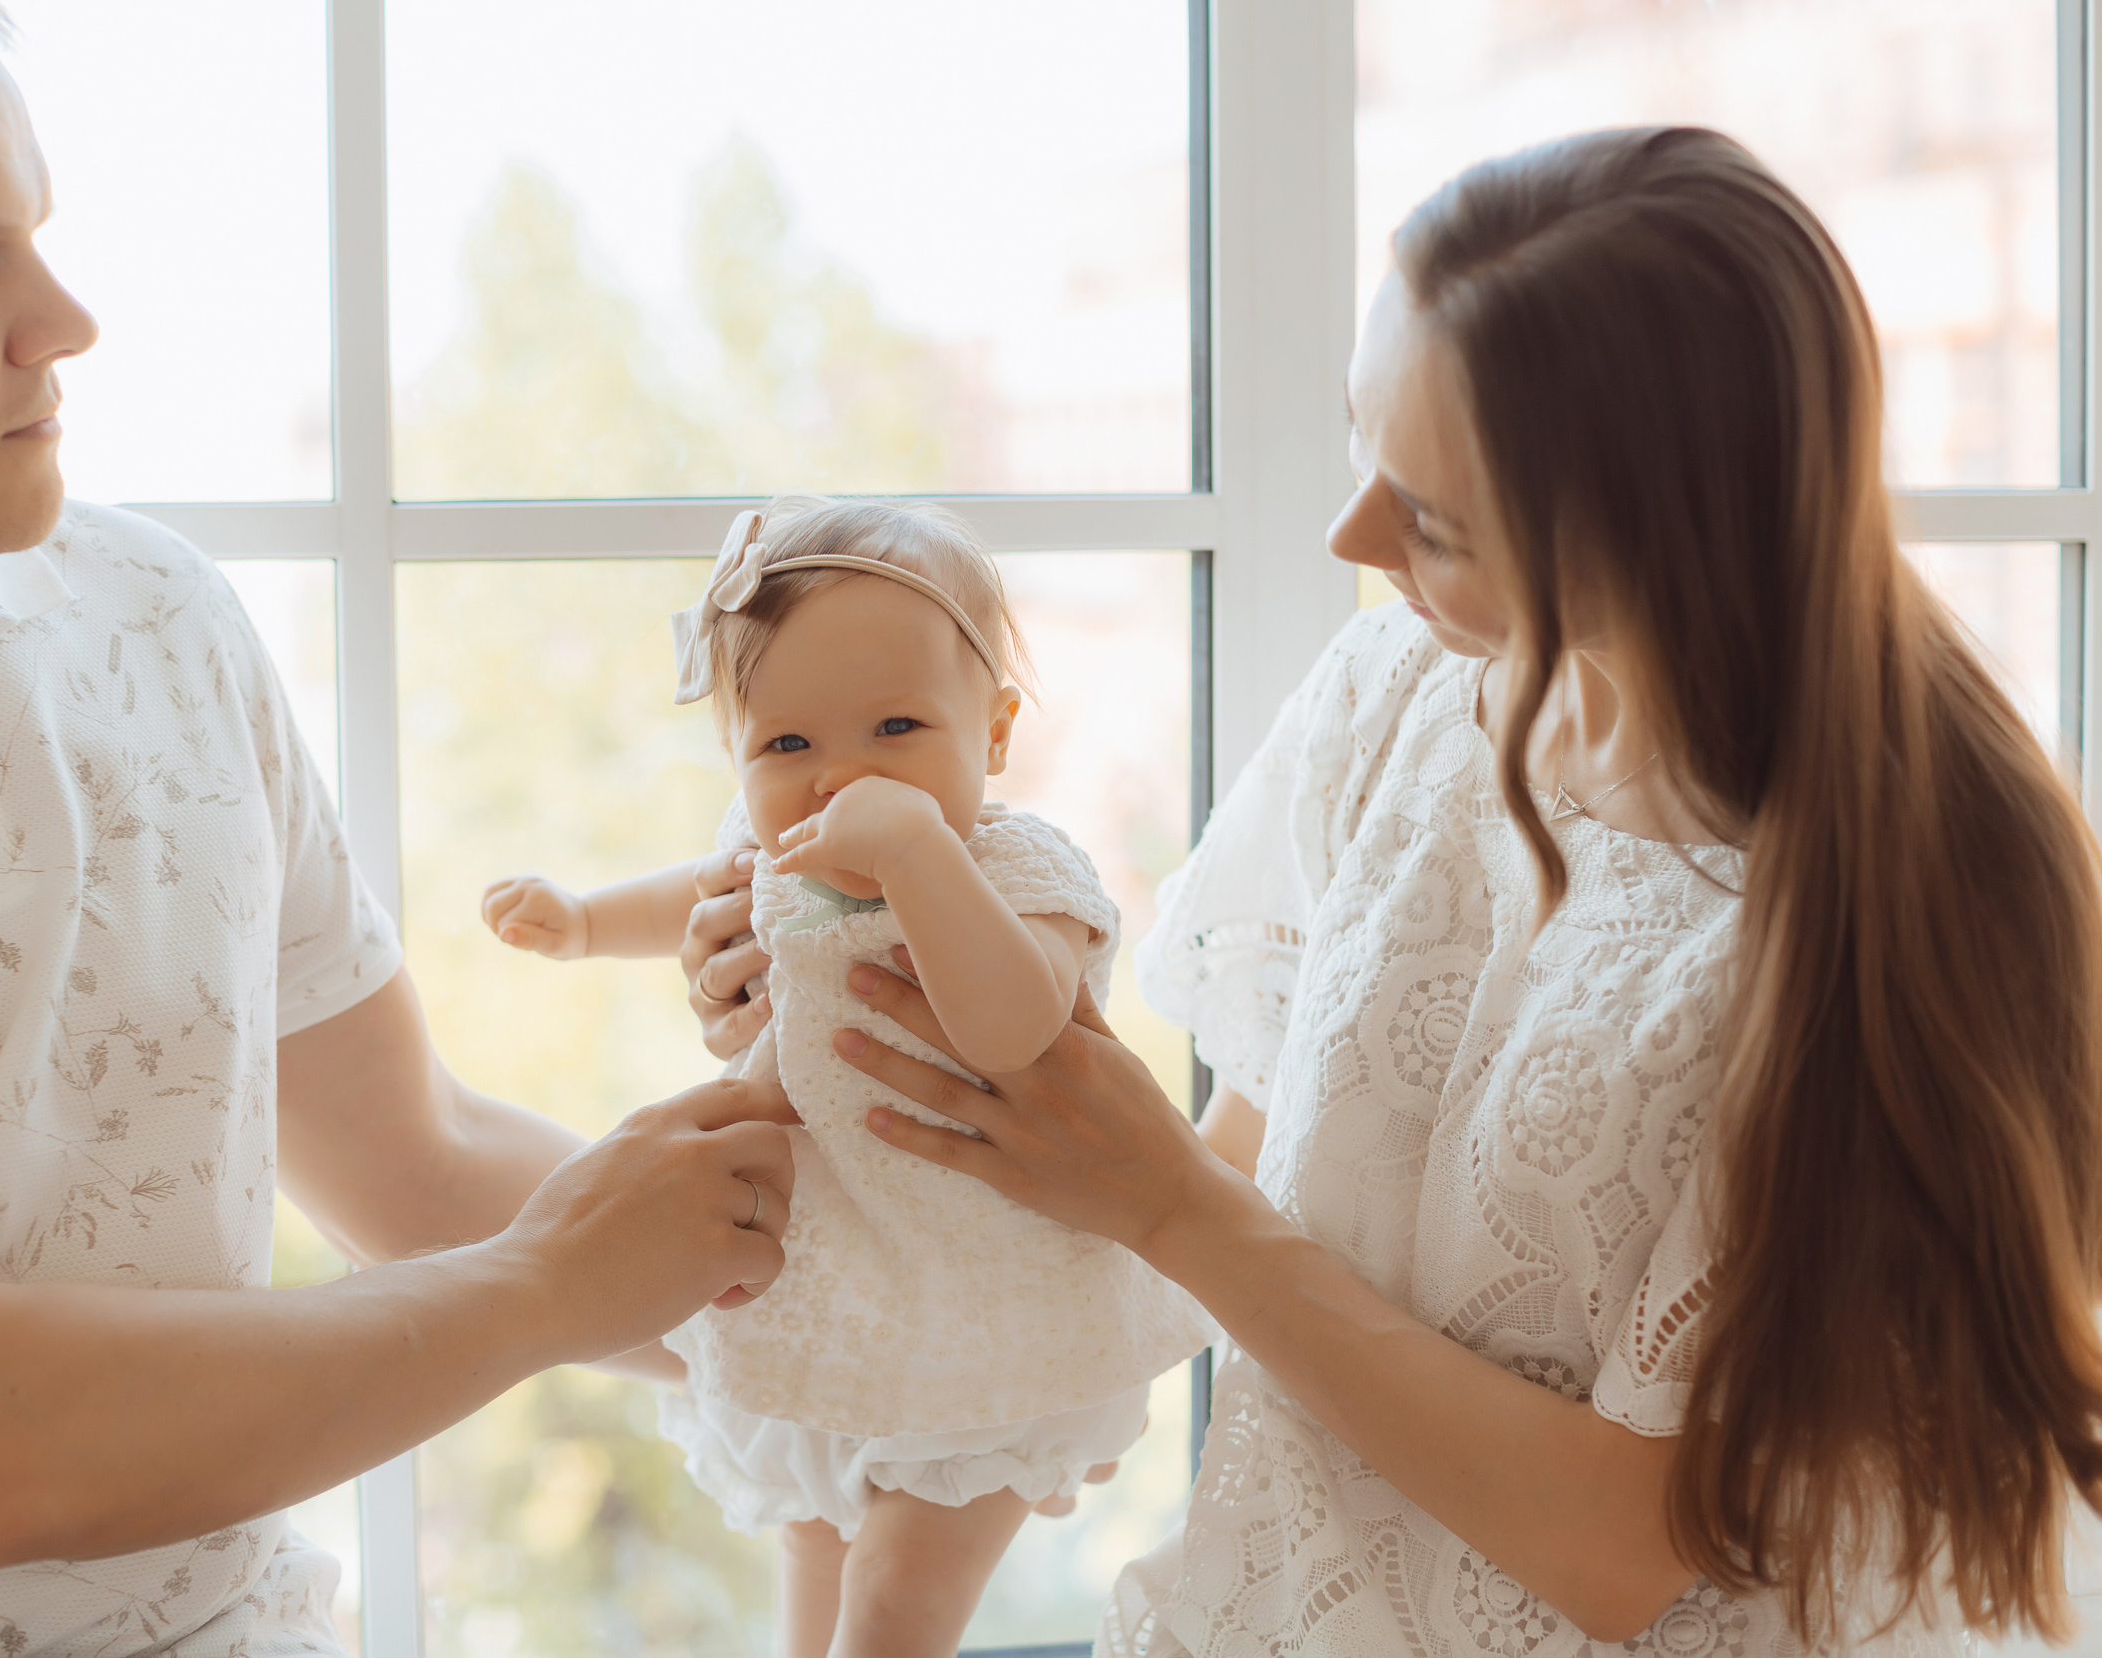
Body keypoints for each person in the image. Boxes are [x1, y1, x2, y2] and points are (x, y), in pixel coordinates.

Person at [688, 127, 2102, 1654]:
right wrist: (874, 1074)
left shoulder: (1838, 930)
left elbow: (1623, 1549)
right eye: (1366, 446)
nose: (1350, 538)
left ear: (1649, 539)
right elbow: (1219, 1179)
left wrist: (1165, 1200)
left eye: (1432, 518)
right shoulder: (1397, 696)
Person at [0, 0, 797, 1655]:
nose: (63, 321)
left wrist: (882, 1320)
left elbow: (412, 1155)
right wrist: (553, 1287)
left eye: (38, 236)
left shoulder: (156, 612)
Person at [483, 496, 1212, 1657]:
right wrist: (580, 923)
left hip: (989, 1308)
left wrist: (919, 857)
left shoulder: (1014, 871)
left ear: (996, 732)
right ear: (736, 750)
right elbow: (700, 886)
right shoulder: (781, 857)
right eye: (787, 745)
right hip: (829, 1290)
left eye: (895, 728)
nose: (840, 781)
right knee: (810, 1563)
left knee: (894, 1608)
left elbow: (1017, 1027)